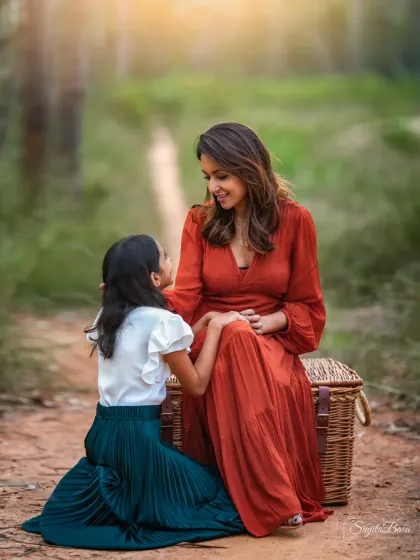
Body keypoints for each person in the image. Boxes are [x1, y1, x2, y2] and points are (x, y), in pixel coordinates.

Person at [21, 235, 247, 551]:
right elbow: (195, 385)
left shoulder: (109, 318)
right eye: (166, 257)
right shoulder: (163, 322)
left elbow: (159, 351)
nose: (171, 261)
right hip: (138, 442)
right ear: (155, 277)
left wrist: (204, 322)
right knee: (217, 493)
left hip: (103, 436)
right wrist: (218, 330)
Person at [164, 122, 334, 535]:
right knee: (232, 333)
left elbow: (308, 305)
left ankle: (258, 491)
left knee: (241, 335)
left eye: (222, 176)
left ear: (249, 170)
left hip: (271, 341)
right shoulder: (200, 222)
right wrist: (131, 297)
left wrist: (270, 321)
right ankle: (274, 496)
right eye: (207, 177)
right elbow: (185, 296)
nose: (214, 187)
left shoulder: (295, 221)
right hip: (211, 341)